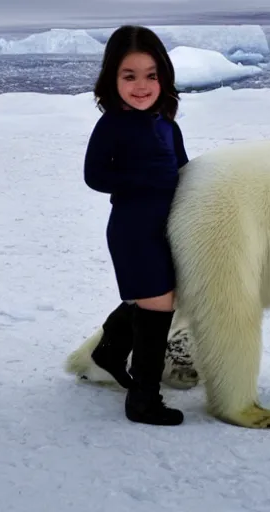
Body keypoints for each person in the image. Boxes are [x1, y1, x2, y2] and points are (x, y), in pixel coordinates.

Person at [82, 25, 190, 426]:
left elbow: (183, 170)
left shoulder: (166, 123)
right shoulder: (112, 124)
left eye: (151, 75)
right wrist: (142, 181)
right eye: (130, 76)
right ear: (113, 78)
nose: (141, 86)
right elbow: (94, 175)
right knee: (157, 306)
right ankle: (143, 400)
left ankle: (109, 352)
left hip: (166, 227)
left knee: (155, 299)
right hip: (132, 229)